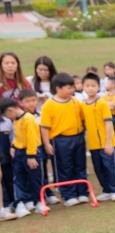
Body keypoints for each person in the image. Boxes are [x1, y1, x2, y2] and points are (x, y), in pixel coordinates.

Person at [39, 73, 89, 206]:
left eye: (73, 87)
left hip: (78, 137)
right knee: (65, 168)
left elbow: (83, 118)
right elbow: (44, 127)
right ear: (58, 88)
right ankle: (68, 195)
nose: (72, 90)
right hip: (60, 140)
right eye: (69, 88)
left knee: (80, 165)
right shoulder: (49, 105)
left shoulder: (75, 101)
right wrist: (46, 143)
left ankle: (82, 192)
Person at [80, 73, 115, 202]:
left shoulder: (103, 103)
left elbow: (108, 123)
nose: (90, 88)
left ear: (99, 87)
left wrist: (109, 142)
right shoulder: (83, 105)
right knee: (99, 168)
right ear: (83, 87)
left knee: (111, 167)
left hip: (106, 142)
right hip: (93, 144)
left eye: (93, 86)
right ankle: (107, 190)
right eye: (87, 86)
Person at [3, 90, 41, 217]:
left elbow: (32, 138)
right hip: (19, 153)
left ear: (10, 111)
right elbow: (19, 136)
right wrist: (13, 146)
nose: (8, 119)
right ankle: (23, 202)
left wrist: (31, 156)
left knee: (34, 177)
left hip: (30, 152)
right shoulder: (16, 120)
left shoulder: (28, 119)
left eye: (6, 115)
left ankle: (39, 201)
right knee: (19, 178)